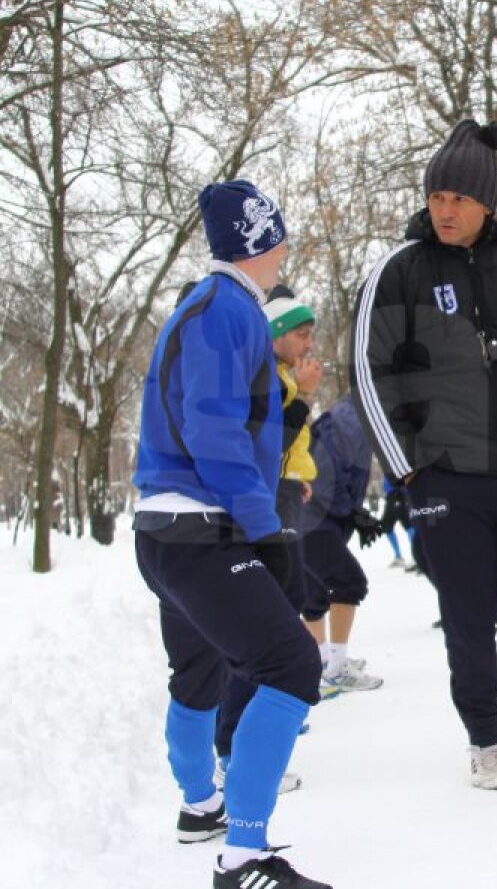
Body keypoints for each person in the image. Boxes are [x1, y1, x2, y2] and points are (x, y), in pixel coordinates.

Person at [350, 119, 497, 790]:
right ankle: (484, 737)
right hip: (449, 479)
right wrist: (408, 471)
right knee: (469, 614)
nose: (444, 209)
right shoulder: (400, 272)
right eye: (435, 197)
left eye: (457, 198)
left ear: (487, 202)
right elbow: (370, 374)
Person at [132, 179, 329, 889]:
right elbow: (214, 429)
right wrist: (264, 532)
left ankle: (199, 807)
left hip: (165, 531)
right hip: (200, 530)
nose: (286, 248)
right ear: (263, 240)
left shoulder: (206, 304)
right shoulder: (228, 309)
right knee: (290, 666)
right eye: (279, 235)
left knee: (199, 674)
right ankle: (244, 856)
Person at [214, 284, 321, 793]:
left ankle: (255, 728)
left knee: (285, 606)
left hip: (276, 499)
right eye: (300, 334)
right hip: (259, 508)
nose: (307, 345)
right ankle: (236, 748)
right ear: (276, 334)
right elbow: (269, 438)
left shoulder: (278, 379)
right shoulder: (270, 381)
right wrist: (302, 396)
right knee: (266, 624)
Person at [300, 396, 386, 693]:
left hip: (311, 519)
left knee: (314, 591)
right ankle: (335, 669)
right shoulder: (350, 421)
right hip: (314, 520)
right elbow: (325, 475)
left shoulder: (355, 417)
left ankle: (323, 662)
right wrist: (352, 511)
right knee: (349, 583)